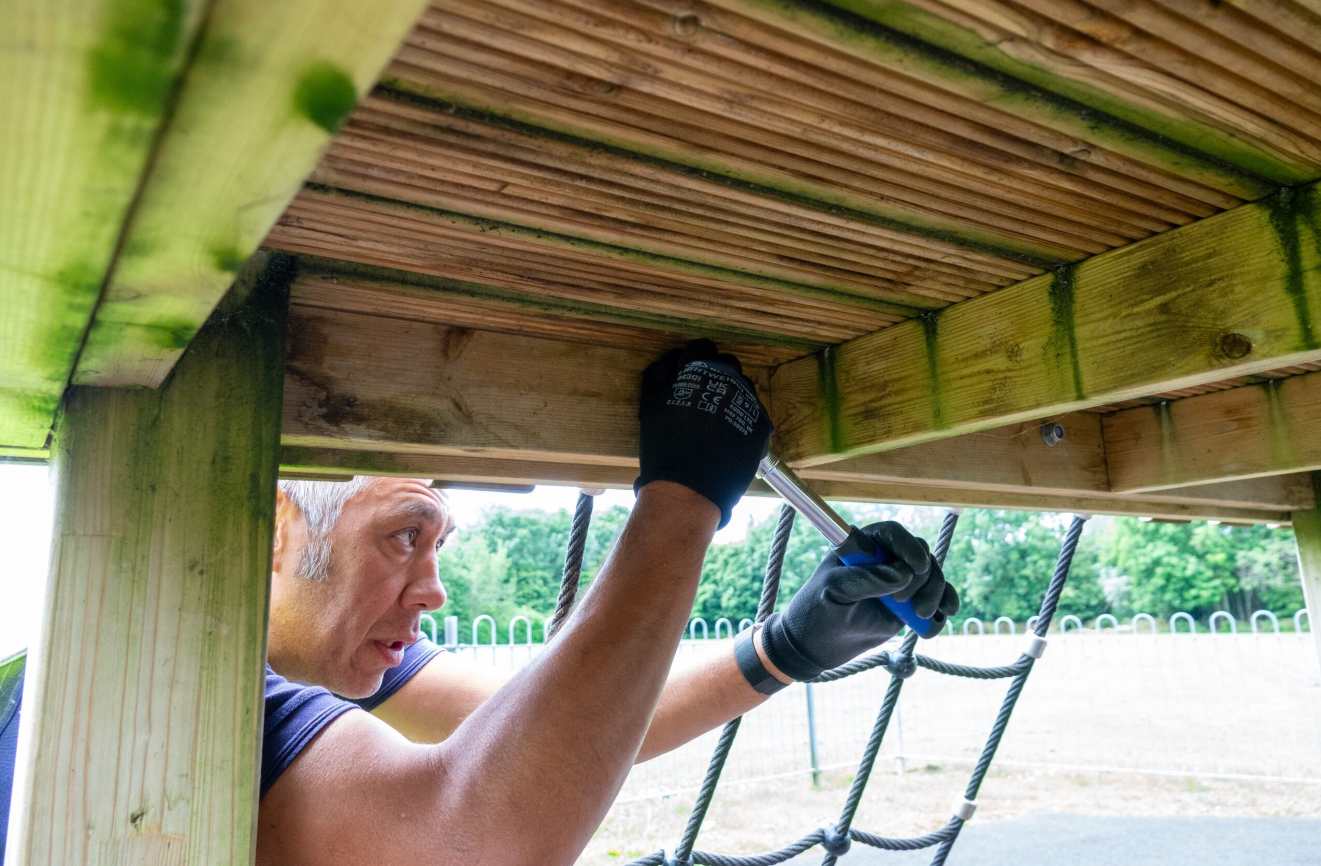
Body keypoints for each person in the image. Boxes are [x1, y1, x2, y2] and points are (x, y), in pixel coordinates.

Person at [0, 341, 958, 864]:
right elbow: (478, 838)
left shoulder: (308, 673)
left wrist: (786, 647)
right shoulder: (153, 700)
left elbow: (565, 737)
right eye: (403, 536)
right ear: (280, 527)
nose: (435, 586)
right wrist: (683, 503)